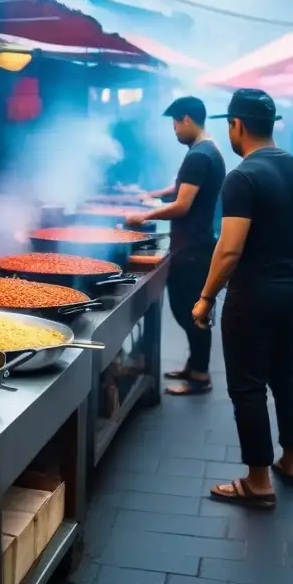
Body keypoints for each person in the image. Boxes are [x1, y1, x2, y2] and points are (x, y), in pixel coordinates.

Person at [192, 89, 293, 509]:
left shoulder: (243, 176)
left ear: (237, 125)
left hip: (252, 296)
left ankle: (258, 481)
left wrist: (206, 296)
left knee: (247, 385)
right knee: (287, 375)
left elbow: (229, 249)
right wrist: (282, 253)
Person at [126, 96, 225, 396]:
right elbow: (181, 188)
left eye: (174, 124)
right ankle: (193, 365)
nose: (174, 131)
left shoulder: (198, 155)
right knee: (189, 310)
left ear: (186, 119)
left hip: (193, 247)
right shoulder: (208, 150)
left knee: (190, 312)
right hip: (197, 243)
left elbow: (182, 205)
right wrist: (153, 194)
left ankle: (199, 376)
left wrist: (146, 215)